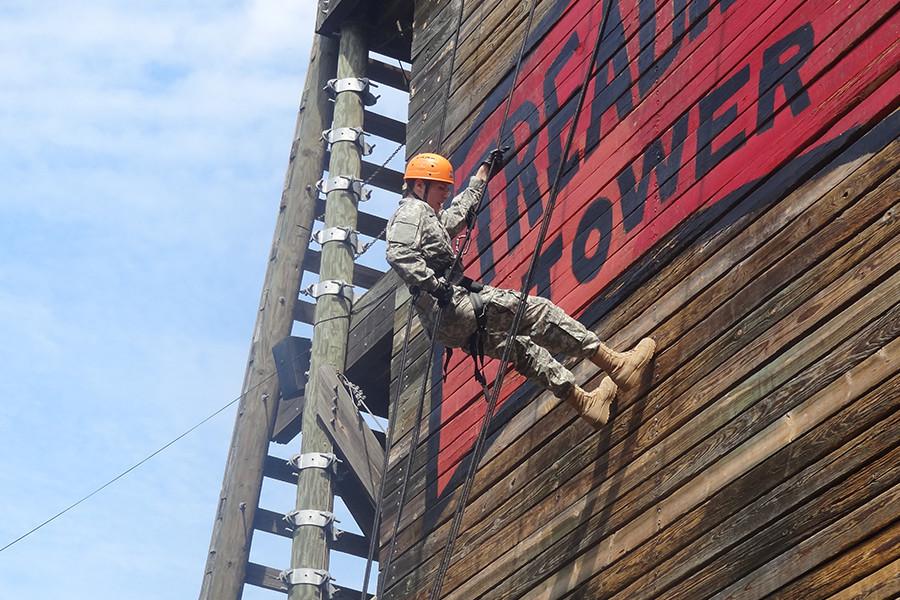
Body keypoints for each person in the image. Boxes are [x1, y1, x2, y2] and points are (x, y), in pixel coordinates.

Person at [385, 152, 655, 428]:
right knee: (538, 312)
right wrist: (436, 285)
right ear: (420, 186)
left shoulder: (427, 216)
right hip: (453, 303)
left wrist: (483, 173)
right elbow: (398, 254)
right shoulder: (412, 211)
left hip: (445, 326)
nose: (445, 193)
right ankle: (618, 366)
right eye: (441, 187)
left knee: (523, 350)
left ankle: (586, 404)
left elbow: (456, 216)